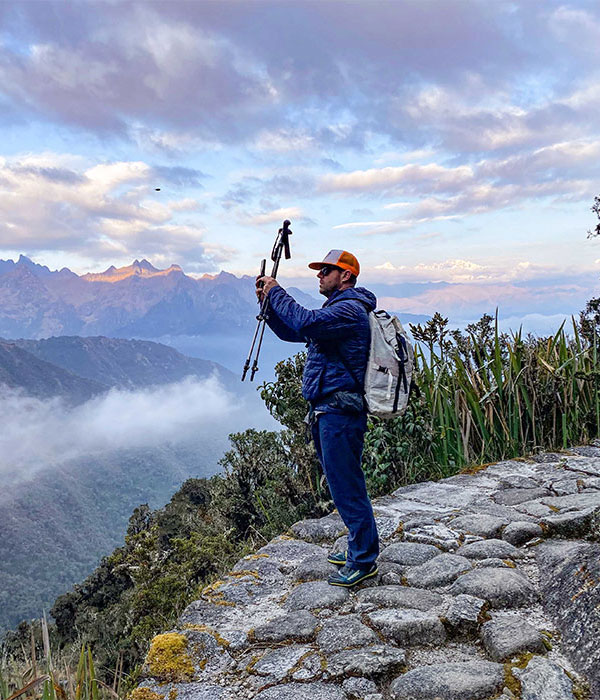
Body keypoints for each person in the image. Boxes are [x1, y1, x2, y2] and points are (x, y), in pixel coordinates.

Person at [256, 249, 379, 587]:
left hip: (340, 412)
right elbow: (293, 332)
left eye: (328, 270)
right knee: (342, 484)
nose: (320, 275)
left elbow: (305, 322)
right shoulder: (336, 312)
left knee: (347, 485)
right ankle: (359, 546)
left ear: (347, 276)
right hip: (329, 410)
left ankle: (364, 560)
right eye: (321, 270)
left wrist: (276, 291)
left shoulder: (349, 311)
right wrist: (268, 307)